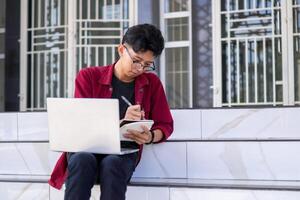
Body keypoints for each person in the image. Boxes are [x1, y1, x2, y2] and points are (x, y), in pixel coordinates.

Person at [48, 23, 174, 200]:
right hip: (86, 150)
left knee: (112, 163)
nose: (139, 69)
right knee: (82, 159)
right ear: (121, 49)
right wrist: (121, 122)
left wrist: (150, 136)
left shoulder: (152, 84)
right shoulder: (89, 77)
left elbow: (165, 125)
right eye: (136, 61)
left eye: (147, 65)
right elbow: (80, 125)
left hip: (123, 154)